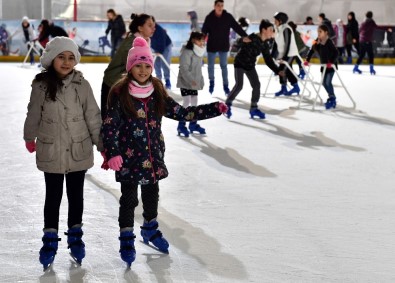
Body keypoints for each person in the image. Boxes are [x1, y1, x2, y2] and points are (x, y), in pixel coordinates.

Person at [100, 37, 228, 267]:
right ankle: (126, 237)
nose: (143, 70)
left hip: (152, 157)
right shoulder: (120, 92)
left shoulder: (157, 90)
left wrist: (212, 109)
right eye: (138, 65)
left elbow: (182, 113)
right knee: (129, 199)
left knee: (151, 197)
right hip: (128, 159)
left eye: (147, 65)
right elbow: (110, 125)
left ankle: (149, 229)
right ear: (130, 67)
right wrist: (113, 153)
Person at [23, 37, 104, 270]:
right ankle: (49, 240)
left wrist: (101, 145)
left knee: (76, 196)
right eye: (62, 57)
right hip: (52, 151)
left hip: (79, 150)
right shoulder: (40, 85)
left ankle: (75, 235)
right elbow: (33, 114)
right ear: (51, 59)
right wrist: (30, 136)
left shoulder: (82, 85)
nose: (67, 62)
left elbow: (93, 116)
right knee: (53, 197)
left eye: (71, 58)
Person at [225, 19, 284, 119]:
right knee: (239, 85)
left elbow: (268, 60)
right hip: (240, 63)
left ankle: (253, 108)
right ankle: (227, 105)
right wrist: (241, 40)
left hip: (250, 65)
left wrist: (278, 71)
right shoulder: (252, 37)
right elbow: (236, 44)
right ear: (264, 30)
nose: (272, 32)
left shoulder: (265, 44)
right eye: (270, 29)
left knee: (256, 85)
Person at [101, 13, 155, 119]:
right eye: (149, 25)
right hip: (113, 84)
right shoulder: (131, 45)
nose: (153, 28)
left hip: (122, 83)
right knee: (111, 120)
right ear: (140, 28)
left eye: (153, 25)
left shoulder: (143, 41)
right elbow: (134, 71)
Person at [201, 0, 249, 95]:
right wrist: (201, 40)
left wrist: (245, 36)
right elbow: (204, 31)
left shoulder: (228, 17)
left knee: (224, 66)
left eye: (222, 5)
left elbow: (237, 27)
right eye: (218, 5)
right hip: (212, 45)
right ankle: (211, 83)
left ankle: (226, 86)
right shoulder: (209, 18)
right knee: (210, 66)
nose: (220, 7)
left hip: (223, 45)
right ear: (214, 6)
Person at [176, 31, 208, 136]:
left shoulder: (198, 51)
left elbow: (198, 69)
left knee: (194, 101)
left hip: (194, 82)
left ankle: (193, 124)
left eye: (203, 40)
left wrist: (200, 80)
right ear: (194, 40)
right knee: (187, 101)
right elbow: (184, 69)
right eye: (200, 40)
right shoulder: (187, 52)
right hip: (185, 82)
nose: (202, 42)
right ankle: (181, 125)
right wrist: (191, 80)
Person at [304, 24, 339, 109]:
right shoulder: (317, 41)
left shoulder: (329, 41)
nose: (318, 33)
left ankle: (332, 99)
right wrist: (307, 60)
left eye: (320, 31)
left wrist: (331, 62)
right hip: (324, 66)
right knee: (323, 83)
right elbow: (311, 50)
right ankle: (331, 96)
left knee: (327, 82)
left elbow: (336, 53)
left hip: (331, 66)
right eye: (318, 32)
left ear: (326, 33)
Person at [353, 11, 392, 75]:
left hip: (362, 41)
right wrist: (387, 29)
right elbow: (378, 27)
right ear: (371, 16)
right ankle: (371, 69)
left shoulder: (363, 22)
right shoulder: (371, 22)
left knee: (361, 55)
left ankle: (355, 67)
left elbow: (359, 31)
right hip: (367, 41)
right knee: (371, 55)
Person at [272, 12, 300, 96]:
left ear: (280, 21)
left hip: (290, 53)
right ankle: (284, 88)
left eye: (275, 20)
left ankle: (295, 87)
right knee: (282, 69)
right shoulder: (278, 28)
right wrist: (272, 55)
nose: (274, 21)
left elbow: (287, 44)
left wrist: (284, 57)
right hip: (283, 53)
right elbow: (275, 43)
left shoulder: (286, 29)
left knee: (284, 69)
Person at [151, 20, 173, 89]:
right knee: (156, 63)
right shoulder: (147, 30)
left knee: (165, 62)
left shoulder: (160, 31)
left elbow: (162, 42)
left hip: (166, 46)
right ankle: (158, 80)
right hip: (156, 47)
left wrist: (159, 51)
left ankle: (167, 80)